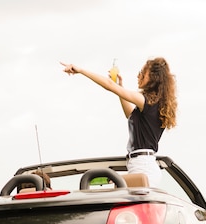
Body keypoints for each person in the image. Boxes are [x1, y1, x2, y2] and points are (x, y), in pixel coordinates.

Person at [60, 58, 177, 187]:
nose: (139, 75)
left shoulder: (147, 102)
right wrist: (120, 87)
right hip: (142, 165)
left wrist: (81, 70)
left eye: (143, 72)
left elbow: (109, 86)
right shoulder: (153, 105)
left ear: (153, 78)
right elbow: (130, 115)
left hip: (143, 166)